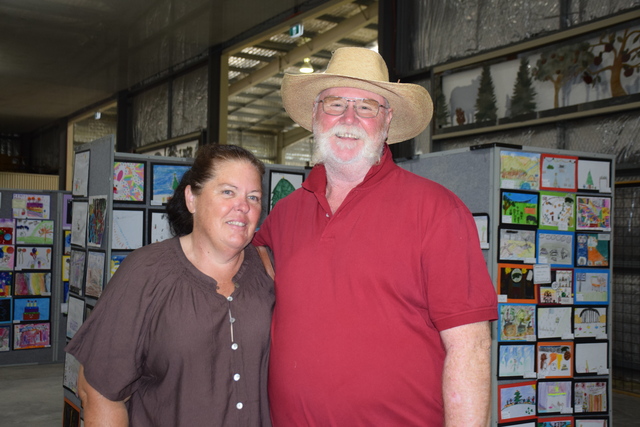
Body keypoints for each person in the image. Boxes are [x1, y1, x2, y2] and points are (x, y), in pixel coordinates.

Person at [253, 47, 497, 426]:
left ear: (387, 120)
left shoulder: (436, 211)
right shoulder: (285, 215)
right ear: (315, 114)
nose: (349, 119)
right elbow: (241, 265)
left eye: (366, 107)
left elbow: (471, 348)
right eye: (335, 104)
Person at [66, 144, 274, 426]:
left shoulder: (268, 271)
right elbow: (98, 392)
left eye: (254, 197)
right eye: (228, 192)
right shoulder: (145, 273)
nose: (243, 206)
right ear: (192, 199)